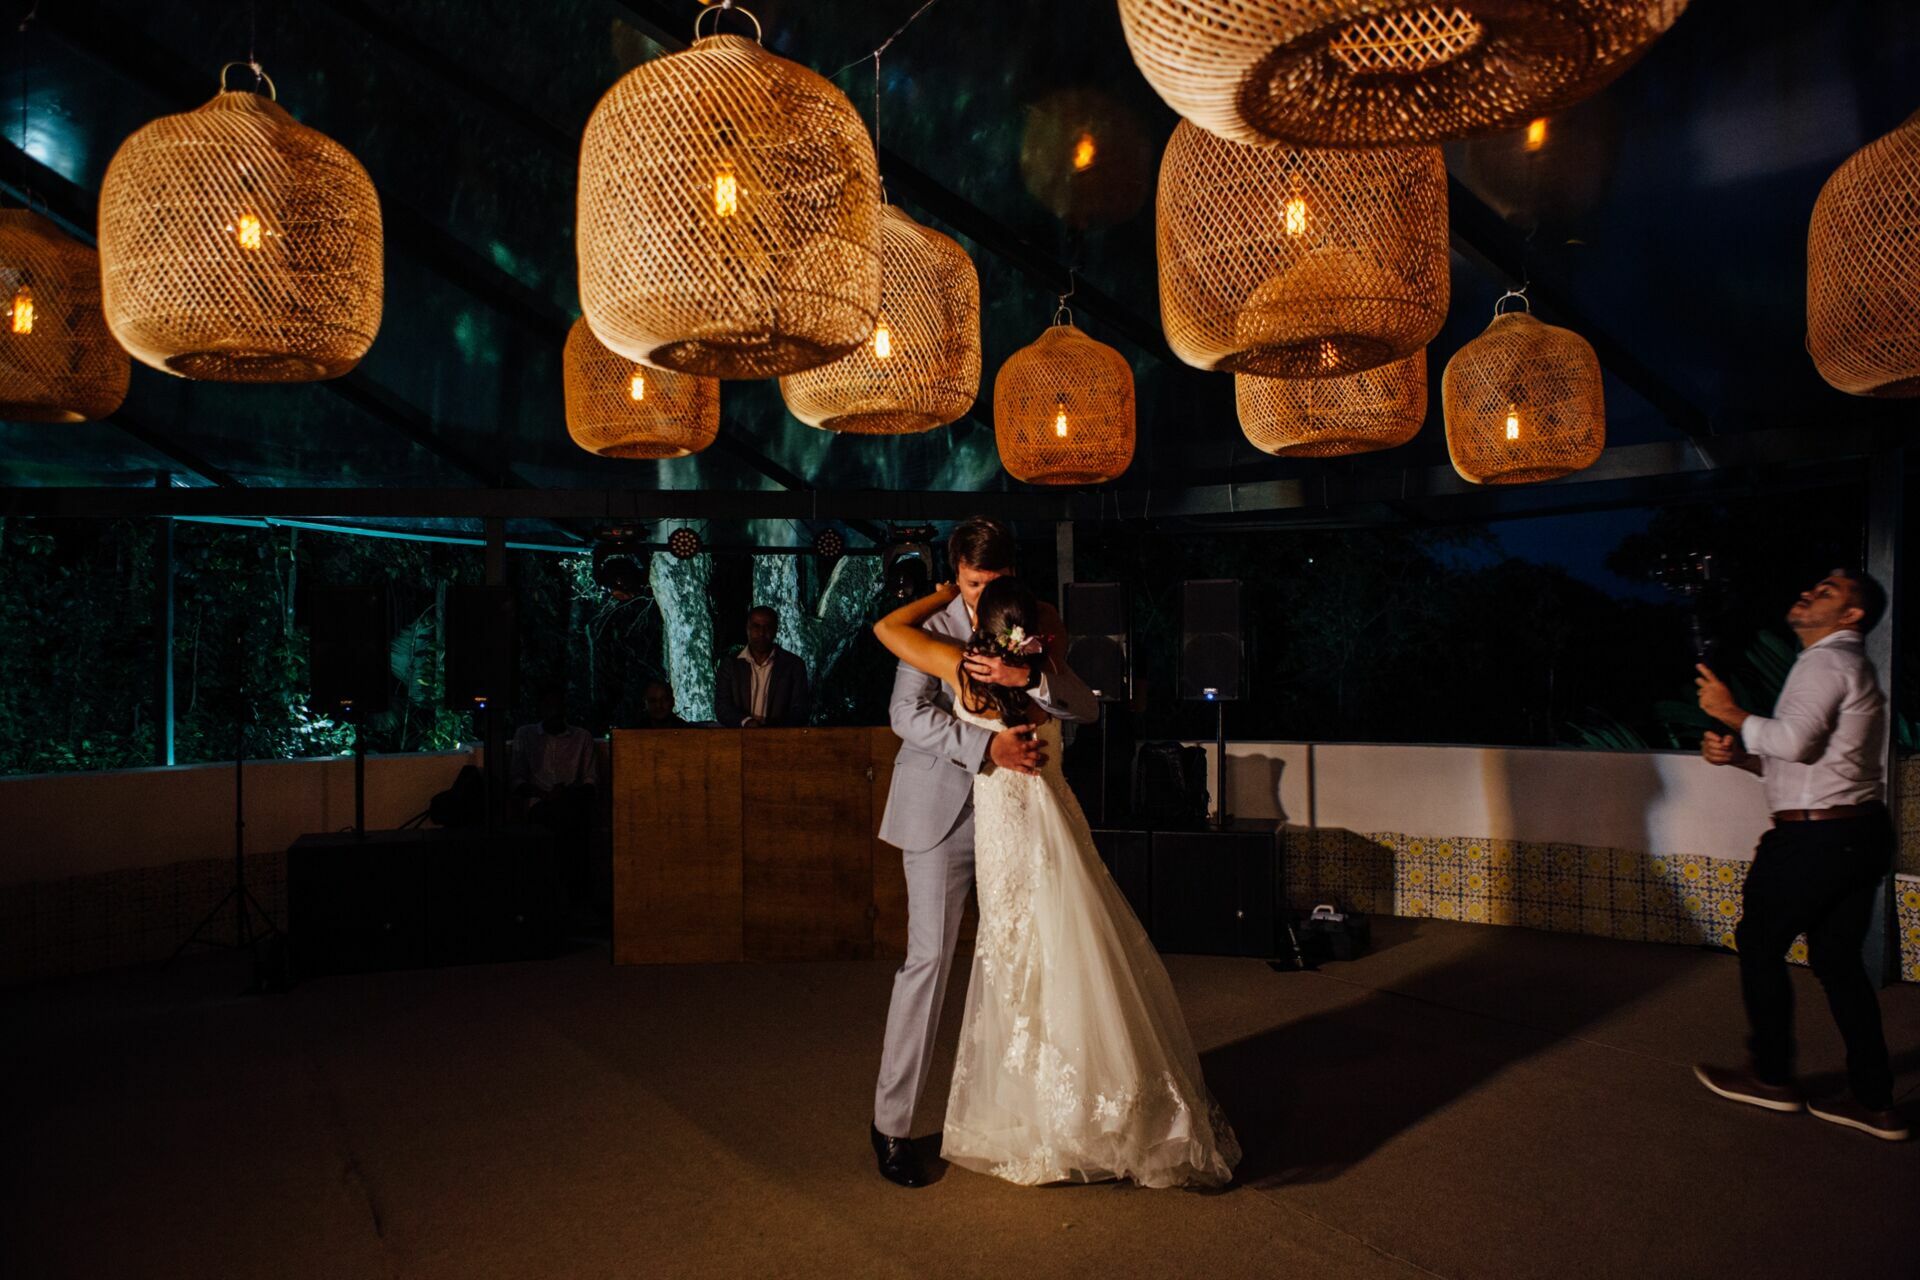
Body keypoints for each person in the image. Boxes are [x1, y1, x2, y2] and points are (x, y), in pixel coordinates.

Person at [869, 519, 1238, 1190]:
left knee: (1041, 959)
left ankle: (1043, 1113)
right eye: (971, 584)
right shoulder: (932, 628)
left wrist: (1032, 677)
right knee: (928, 962)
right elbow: (906, 715)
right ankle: (891, 1126)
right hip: (941, 815)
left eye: (992, 582)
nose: (980, 596)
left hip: (1022, 819)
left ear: (1013, 575)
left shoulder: (1036, 619)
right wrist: (986, 746)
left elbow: (1081, 706)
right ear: (955, 574)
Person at [1693, 566, 1907, 1141]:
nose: (1809, 591)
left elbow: (1793, 742)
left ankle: (1771, 1077)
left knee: (1760, 944)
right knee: (1838, 963)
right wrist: (1740, 756)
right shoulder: (1845, 665)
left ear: (1851, 616)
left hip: (1814, 841)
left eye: (1827, 591)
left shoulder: (1826, 662)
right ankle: (1875, 1101)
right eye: (1814, 586)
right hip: (1856, 832)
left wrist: (1730, 712)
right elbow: (1809, 764)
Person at [511, 686, 600, 915]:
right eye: (549, 706)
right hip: (540, 804)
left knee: (571, 821)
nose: (554, 711)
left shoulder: (582, 737)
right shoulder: (526, 735)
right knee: (559, 824)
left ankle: (571, 898)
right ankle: (565, 898)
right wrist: (544, 794)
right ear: (541, 709)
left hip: (571, 802)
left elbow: (590, 781)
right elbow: (517, 779)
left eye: (558, 706)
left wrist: (567, 794)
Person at [714, 606, 811, 728]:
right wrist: (746, 722)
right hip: (739, 737)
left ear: (775, 630)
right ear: (748, 628)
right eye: (756, 626)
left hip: (779, 737)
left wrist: (770, 729)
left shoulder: (793, 665)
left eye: (768, 627)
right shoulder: (730, 665)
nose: (761, 633)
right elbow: (722, 707)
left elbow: (800, 710)